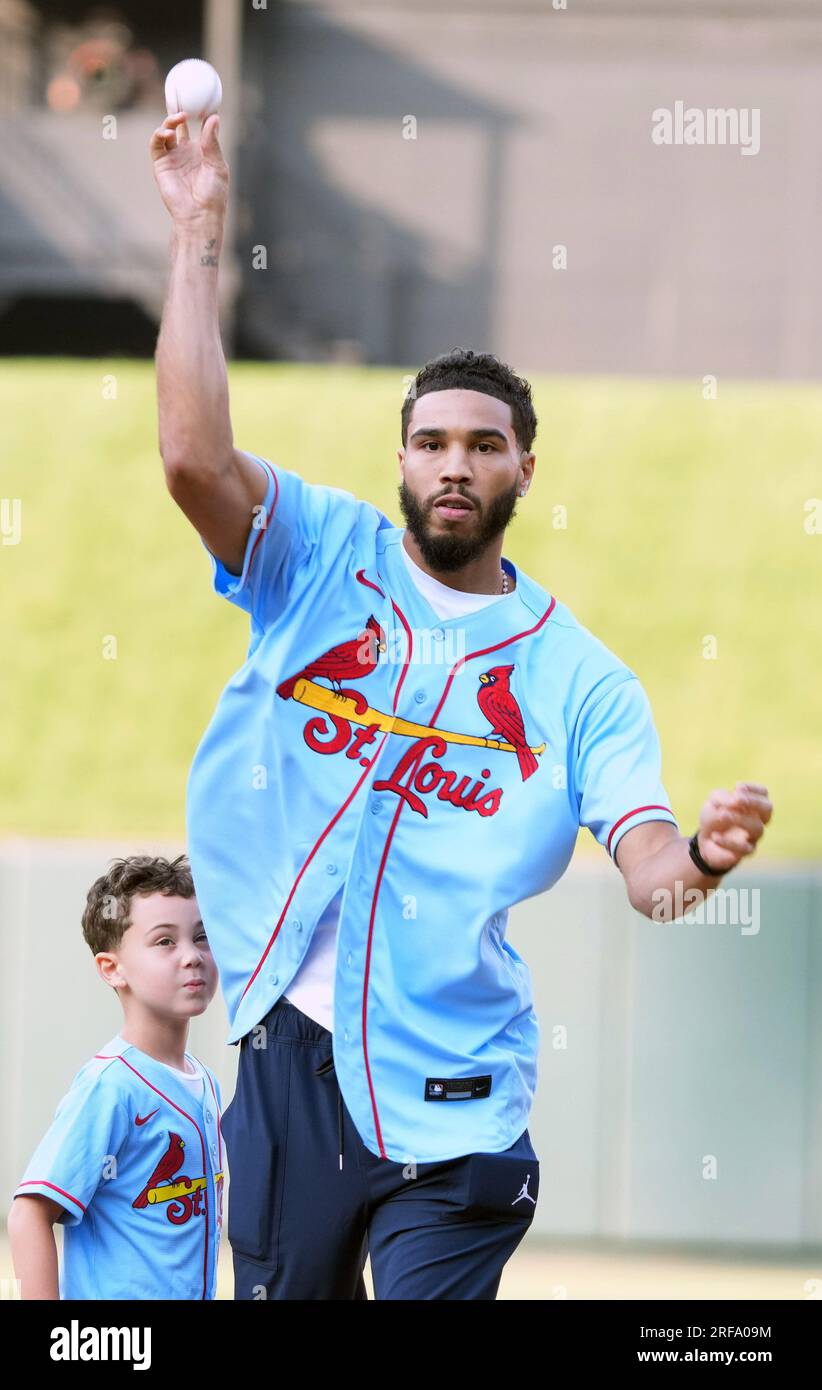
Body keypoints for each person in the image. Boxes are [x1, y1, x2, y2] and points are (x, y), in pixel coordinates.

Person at [149, 111, 773, 1300]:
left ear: (524, 470)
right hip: (291, 1066)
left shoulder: (581, 679)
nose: (452, 464)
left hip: (460, 1095)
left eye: (483, 446)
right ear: (399, 461)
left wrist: (700, 855)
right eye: (428, 441)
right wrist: (197, 234)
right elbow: (191, 460)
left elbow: (651, 872)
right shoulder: (321, 556)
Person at [8, 855, 224, 1300]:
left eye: (201, 936)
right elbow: (29, 1212)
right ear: (112, 968)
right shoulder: (111, 1086)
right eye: (165, 941)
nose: (192, 956)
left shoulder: (205, 1081)